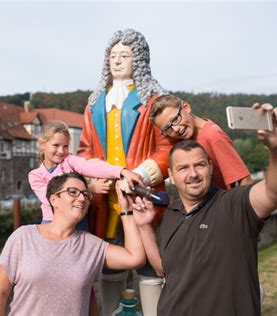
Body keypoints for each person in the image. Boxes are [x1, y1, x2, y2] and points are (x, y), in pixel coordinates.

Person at [131, 103, 277, 315]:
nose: (193, 174)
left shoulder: (232, 206)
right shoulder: (170, 215)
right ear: (171, 173)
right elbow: (163, 268)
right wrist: (144, 227)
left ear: (210, 165)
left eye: (199, 165)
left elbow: (274, 191)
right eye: (183, 168)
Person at [78, 28, 174, 314]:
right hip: (106, 201)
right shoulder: (94, 104)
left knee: (149, 261)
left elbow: (167, 148)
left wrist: (143, 174)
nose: (117, 61)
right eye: (112, 56)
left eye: (125, 55)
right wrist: (95, 179)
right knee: (109, 260)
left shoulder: (154, 102)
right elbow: (85, 151)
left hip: (142, 196)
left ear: (139, 61)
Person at [0, 172, 145, 315]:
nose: (82, 198)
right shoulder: (23, 237)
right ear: (53, 199)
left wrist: (127, 211)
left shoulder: (91, 245)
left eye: (86, 194)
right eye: (73, 192)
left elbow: (135, 258)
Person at [29, 120, 143, 227]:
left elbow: (91, 167)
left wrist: (122, 171)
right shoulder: (35, 175)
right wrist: (89, 189)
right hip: (52, 222)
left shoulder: (69, 160)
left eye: (65, 146)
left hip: (78, 220)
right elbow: (50, 199)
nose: (61, 151)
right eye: (56, 145)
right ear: (42, 144)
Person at [149, 94, 252, 189]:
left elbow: (245, 180)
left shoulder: (213, 135)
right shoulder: (181, 140)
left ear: (186, 107)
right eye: (168, 128)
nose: (176, 129)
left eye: (176, 119)